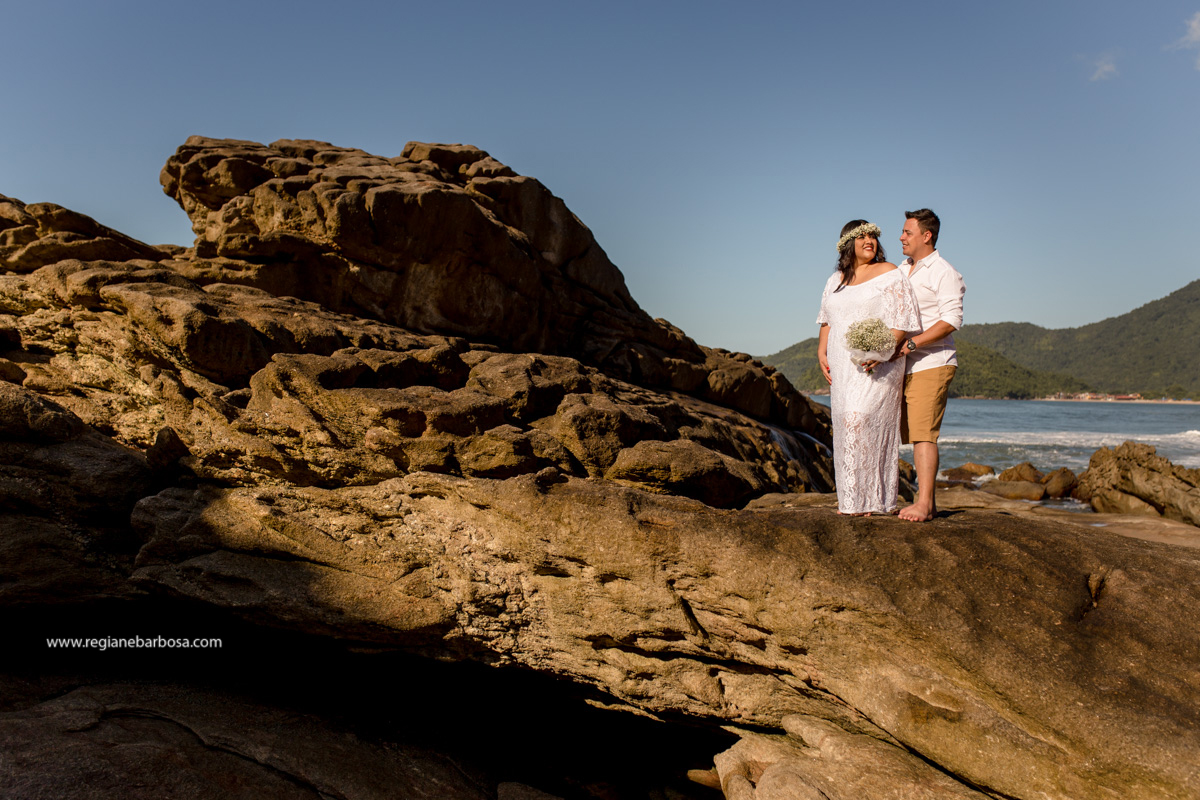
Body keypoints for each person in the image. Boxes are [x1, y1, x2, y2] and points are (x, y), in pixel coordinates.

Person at [817, 220, 921, 515]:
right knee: (846, 424)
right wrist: (821, 349)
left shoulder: (890, 272)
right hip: (841, 362)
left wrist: (884, 351)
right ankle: (852, 501)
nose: (869, 240)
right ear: (846, 243)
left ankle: (874, 499)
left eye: (873, 235)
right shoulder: (834, 279)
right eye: (861, 236)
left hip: (878, 363)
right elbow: (827, 318)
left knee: (859, 419)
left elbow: (902, 319)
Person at [894, 209, 966, 522]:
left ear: (927, 236)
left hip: (931, 362)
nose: (901, 237)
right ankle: (926, 502)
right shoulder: (901, 269)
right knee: (906, 433)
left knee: (924, 434)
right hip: (903, 366)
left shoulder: (944, 271)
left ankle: (924, 504)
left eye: (908, 232)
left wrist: (913, 343)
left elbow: (951, 319)